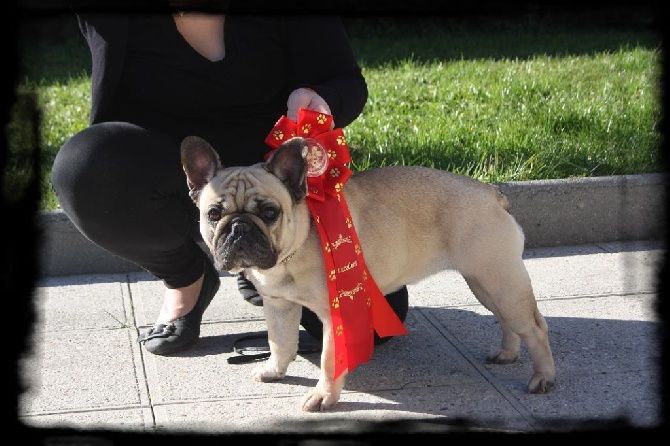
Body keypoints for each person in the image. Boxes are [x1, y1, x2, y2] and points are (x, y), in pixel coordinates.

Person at [51, 3, 408, 356]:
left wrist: (322, 100)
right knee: (84, 168)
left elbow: (345, 80)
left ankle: (267, 255)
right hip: (177, 166)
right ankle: (187, 278)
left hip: (278, 176)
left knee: (375, 325)